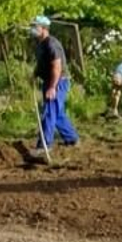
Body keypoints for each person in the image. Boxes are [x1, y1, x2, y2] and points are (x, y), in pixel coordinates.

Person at [31, 16, 79, 148]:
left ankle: (44, 145)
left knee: (49, 112)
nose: (32, 29)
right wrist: (34, 74)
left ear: (44, 28)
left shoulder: (51, 44)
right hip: (48, 81)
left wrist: (52, 87)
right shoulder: (41, 44)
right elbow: (41, 63)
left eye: (35, 26)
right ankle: (71, 137)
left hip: (58, 82)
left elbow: (57, 67)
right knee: (57, 113)